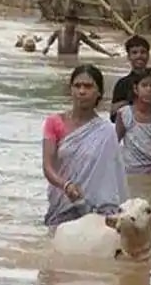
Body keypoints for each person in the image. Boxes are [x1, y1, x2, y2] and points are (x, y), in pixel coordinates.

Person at [42, 64, 129, 227]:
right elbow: (47, 168)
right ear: (70, 90)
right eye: (77, 86)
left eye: (88, 86)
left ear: (99, 93)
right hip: (62, 207)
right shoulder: (54, 123)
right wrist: (66, 186)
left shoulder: (107, 132)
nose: (82, 91)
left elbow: (113, 178)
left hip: (97, 213)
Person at [109, 35, 151, 123]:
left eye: (143, 52)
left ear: (148, 55)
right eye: (134, 53)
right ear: (128, 56)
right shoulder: (122, 84)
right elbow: (113, 115)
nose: (139, 56)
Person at [42, 9, 116, 57]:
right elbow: (51, 38)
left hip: (74, 60)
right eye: (69, 21)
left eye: (73, 21)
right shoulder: (58, 32)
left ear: (76, 23)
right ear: (65, 21)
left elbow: (93, 45)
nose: (71, 24)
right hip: (60, 60)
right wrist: (47, 46)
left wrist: (108, 53)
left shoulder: (79, 35)